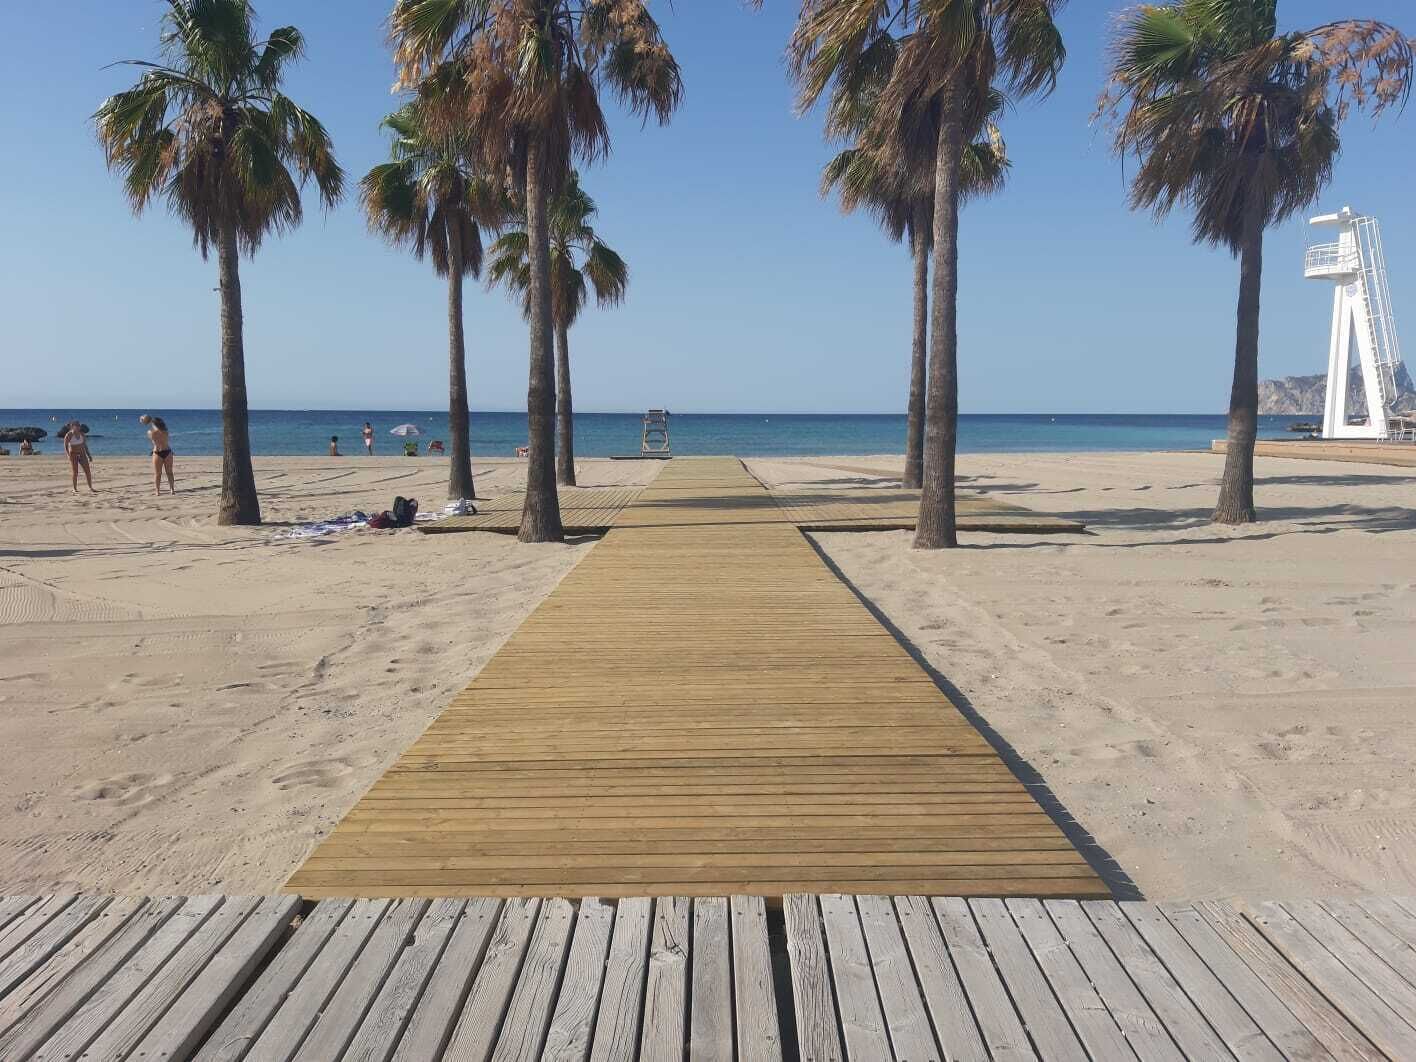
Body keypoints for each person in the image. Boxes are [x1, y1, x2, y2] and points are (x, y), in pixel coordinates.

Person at [140, 414, 175, 495]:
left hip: (157, 452)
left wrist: (146, 420)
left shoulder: (150, 432)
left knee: (157, 473)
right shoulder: (166, 431)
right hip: (168, 452)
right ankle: (172, 489)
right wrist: (151, 421)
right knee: (169, 472)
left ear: (153, 424)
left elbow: (152, 433)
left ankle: (157, 491)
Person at [64, 420, 95, 493]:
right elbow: (65, 445)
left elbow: (85, 445)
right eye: (76, 425)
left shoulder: (82, 434)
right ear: (72, 426)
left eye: (79, 425)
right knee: (75, 472)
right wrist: (68, 455)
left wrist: (89, 455)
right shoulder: (69, 435)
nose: (78, 427)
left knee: (88, 471)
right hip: (73, 454)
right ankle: (74, 488)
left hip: (82, 454)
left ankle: (90, 487)